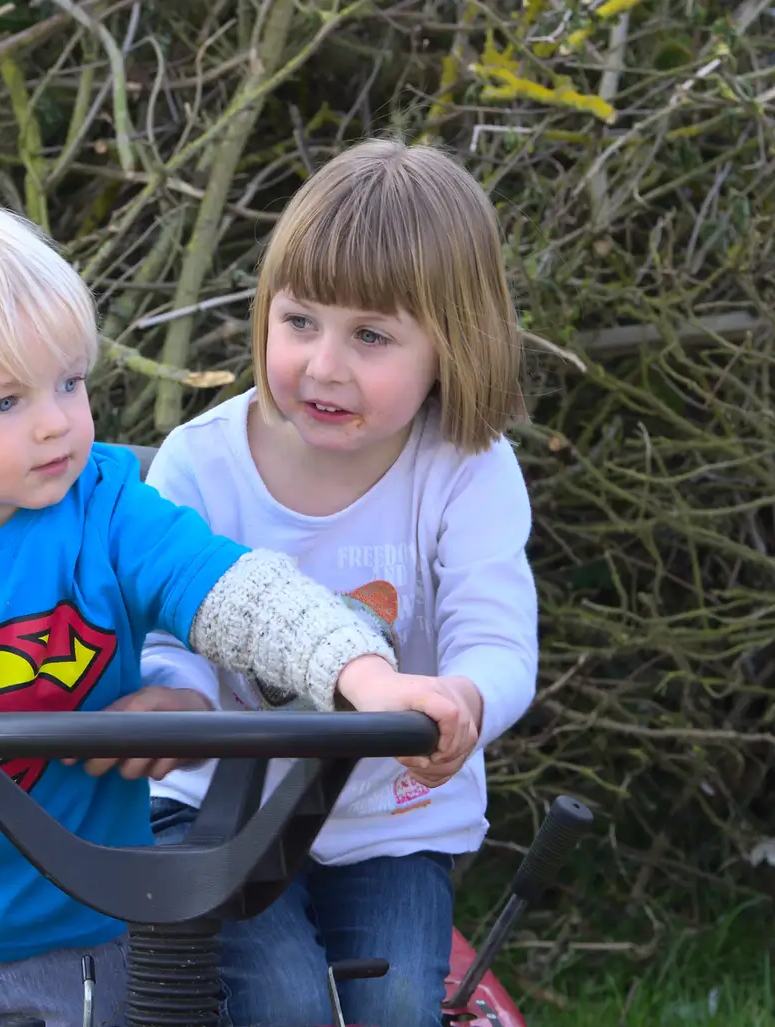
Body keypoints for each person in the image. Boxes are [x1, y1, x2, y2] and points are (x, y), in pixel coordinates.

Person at [0, 191, 477, 1027]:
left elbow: (243, 593)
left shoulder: (108, 504)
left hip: (72, 930)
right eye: (6, 402)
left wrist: (362, 674)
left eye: (69, 382)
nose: (57, 423)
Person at [140, 137, 540, 1027]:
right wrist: (176, 698)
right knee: (283, 1003)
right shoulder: (200, 464)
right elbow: (165, 625)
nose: (324, 365)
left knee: (396, 1006)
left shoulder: (467, 469)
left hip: (387, 820)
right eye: (300, 322)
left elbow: (499, 635)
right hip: (217, 816)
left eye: (370, 336)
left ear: (452, 344)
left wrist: (465, 696)